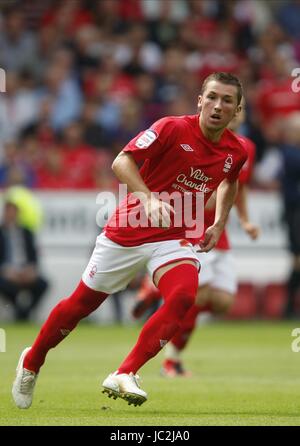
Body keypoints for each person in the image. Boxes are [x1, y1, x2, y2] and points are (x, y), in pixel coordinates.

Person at [12, 72, 248, 409]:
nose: (217, 105)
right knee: (80, 306)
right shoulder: (171, 128)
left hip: (174, 236)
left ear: (236, 110)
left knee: (183, 296)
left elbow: (231, 181)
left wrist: (220, 222)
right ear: (200, 100)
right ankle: (32, 361)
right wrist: (149, 199)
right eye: (211, 97)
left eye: (227, 100)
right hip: (129, 230)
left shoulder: (235, 150)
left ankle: (125, 372)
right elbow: (121, 161)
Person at [131, 100, 260, 377]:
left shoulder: (244, 149)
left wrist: (245, 220)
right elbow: (205, 194)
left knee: (223, 301)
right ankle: (171, 361)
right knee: (194, 297)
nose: (232, 113)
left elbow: (239, 187)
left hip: (218, 233)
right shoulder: (196, 140)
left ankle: (155, 290)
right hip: (192, 230)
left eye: (239, 109)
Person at [0, 200, 48, 321]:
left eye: (13, 212)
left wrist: (31, 269)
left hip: (26, 271)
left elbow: (34, 256)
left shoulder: (27, 232)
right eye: (8, 212)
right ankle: (19, 312)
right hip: (7, 273)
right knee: (5, 285)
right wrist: (6, 271)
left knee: (43, 284)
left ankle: (26, 312)